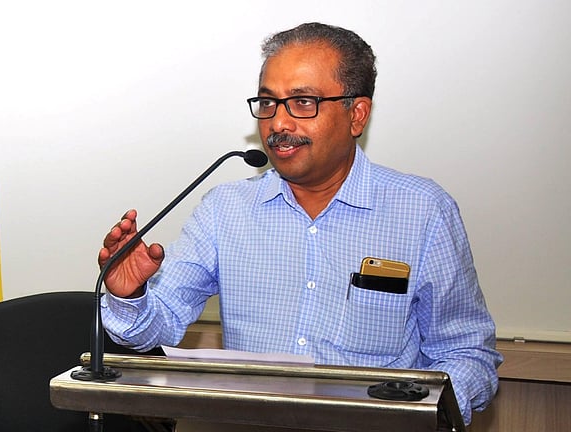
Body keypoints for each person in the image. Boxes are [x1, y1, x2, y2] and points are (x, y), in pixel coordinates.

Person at [99, 22, 502, 424]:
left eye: (303, 102)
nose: (278, 124)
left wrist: (416, 417)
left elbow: (467, 353)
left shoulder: (423, 211)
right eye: (268, 103)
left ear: (357, 115)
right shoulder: (225, 210)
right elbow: (158, 323)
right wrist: (129, 295)